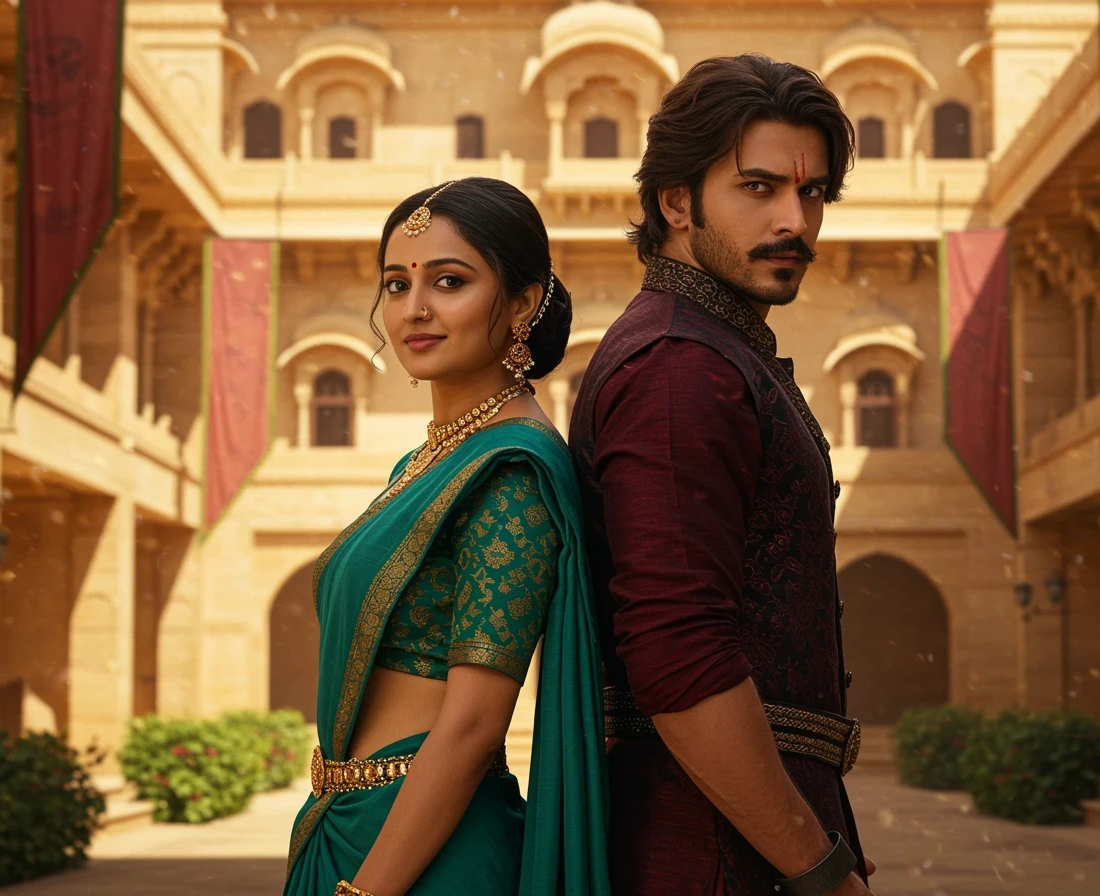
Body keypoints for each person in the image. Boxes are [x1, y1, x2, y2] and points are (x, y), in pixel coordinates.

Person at [568, 55, 877, 896]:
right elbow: (680, 652)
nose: (796, 221)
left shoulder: (716, 348)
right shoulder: (679, 365)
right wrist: (820, 872)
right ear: (676, 201)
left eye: (811, 194)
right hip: (708, 852)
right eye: (758, 188)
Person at [286, 177, 610, 896]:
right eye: (396, 284)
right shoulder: (428, 460)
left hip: (425, 855)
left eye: (450, 281)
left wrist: (366, 892)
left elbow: (469, 727)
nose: (414, 309)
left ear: (523, 303)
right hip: (353, 824)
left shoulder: (510, 472)